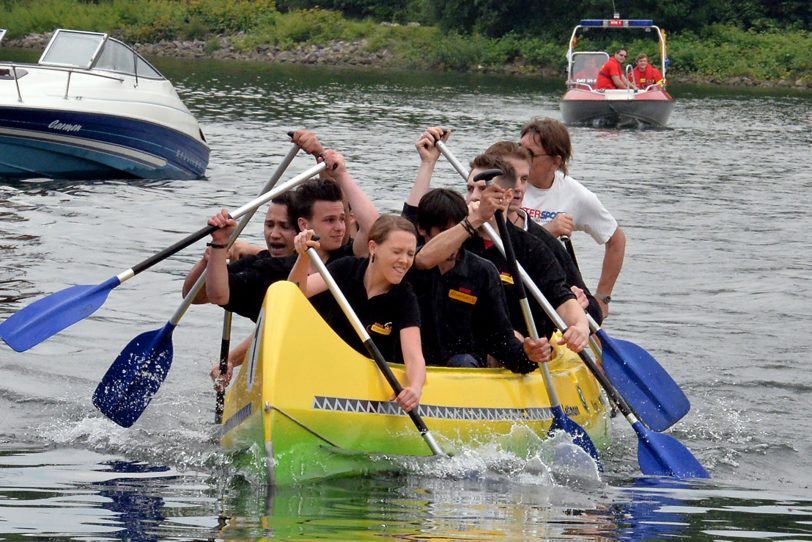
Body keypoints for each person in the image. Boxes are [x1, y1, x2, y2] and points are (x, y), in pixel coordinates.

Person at [413, 149, 590, 353]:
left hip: (513, 352)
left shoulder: (532, 247)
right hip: (456, 349)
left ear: (506, 197)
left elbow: (561, 298)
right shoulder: (456, 236)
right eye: (470, 189)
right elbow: (422, 260)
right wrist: (474, 219)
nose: (473, 197)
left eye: (482, 189)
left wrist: (580, 326)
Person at [404, 187, 553, 372]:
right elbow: (423, 260)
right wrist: (476, 218)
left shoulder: (482, 272)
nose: (453, 241)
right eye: (444, 231)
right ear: (422, 229)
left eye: (456, 231)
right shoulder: (405, 266)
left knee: (463, 361)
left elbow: (500, 339)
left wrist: (527, 355)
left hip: (464, 368)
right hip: (408, 364)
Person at [289, 214, 425, 413]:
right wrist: (303, 256)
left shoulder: (404, 296)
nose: (404, 261)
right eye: (397, 252)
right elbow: (295, 292)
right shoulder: (346, 268)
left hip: (370, 384)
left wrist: (415, 388)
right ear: (373, 247)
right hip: (329, 368)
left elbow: (414, 356)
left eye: (410, 254)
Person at [484, 140, 604, 325]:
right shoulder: (465, 228)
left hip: (529, 343)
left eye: (524, 179)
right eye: (509, 177)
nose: (517, 187)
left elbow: (594, 314)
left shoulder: (541, 242)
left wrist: (584, 304)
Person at [519, 118, 626, 319]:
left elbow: (616, 239)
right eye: (519, 149)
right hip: (509, 280)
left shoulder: (576, 195)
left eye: (530, 154)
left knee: (591, 321)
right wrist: (547, 231)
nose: (520, 158)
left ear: (555, 161)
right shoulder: (508, 184)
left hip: (547, 286)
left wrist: (603, 297)